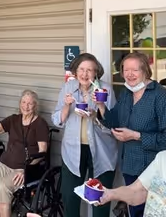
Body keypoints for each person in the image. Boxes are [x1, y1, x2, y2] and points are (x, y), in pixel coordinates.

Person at [94, 52, 166, 217]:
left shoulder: (161, 96)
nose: (130, 74)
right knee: (135, 209)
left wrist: (136, 136)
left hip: (154, 167)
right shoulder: (126, 93)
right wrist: (101, 106)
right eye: (126, 70)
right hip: (130, 165)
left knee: (153, 211)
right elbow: (114, 120)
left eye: (135, 70)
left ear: (145, 71)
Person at [52, 53, 118, 217]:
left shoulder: (105, 89)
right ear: (75, 70)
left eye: (89, 70)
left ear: (96, 72)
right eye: (81, 69)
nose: (84, 74)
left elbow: (114, 126)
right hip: (73, 150)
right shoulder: (68, 87)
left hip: (102, 151)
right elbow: (56, 120)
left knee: (100, 199)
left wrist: (96, 114)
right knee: (69, 196)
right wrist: (67, 106)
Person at [0, 90, 49, 217]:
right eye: (24, 102)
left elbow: (42, 152)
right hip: (4, 164)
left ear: (35, 106)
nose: (26, 106)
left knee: (2, 188)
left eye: (30, 104)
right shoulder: (13, 119)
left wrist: (26, 169)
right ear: (20, 103)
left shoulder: (40, 124)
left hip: (24, 168)